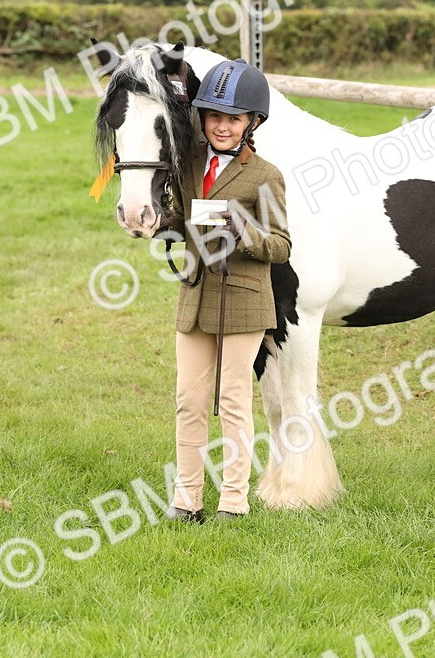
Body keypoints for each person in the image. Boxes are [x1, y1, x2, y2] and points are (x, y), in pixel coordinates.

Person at [161, 58, 291, 522]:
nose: (221, 126)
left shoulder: (265, 175)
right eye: (214, 116)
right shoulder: (191, 164)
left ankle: (233, 501)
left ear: (251, 123)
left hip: (244, 301)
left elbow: (280, 246)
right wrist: (160, 223)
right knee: (188, 400)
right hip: (195, 296)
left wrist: (245, 231)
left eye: (232, 118)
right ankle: (186, 498)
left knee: (234, 401)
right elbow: (182, 221)